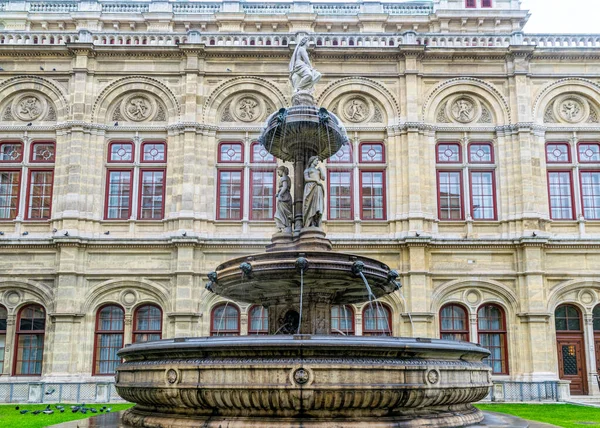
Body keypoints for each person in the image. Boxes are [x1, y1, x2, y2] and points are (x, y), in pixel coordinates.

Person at [302, 156, 325, 228]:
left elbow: (323, 178)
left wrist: (321, 170)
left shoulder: (318, 170)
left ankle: (316, 222)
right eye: (316, 160)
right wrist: (316, 181)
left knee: (318, 206)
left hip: (318, 188)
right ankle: (310, 222)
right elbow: (306, 179)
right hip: (310, 188)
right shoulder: (307, 170)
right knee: (310, 205)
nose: (317, 162)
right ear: (312, 161)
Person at [274, 165, 293, 233]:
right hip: (286, 196)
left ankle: (283, 227)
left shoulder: (284, 178)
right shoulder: (287, 178)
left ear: (282, 171)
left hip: (284, 197)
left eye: (278, 172)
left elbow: (284, 187)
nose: (278, 174)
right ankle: (286, 227)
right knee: (284, 213)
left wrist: (280, 194)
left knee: (279, 214)